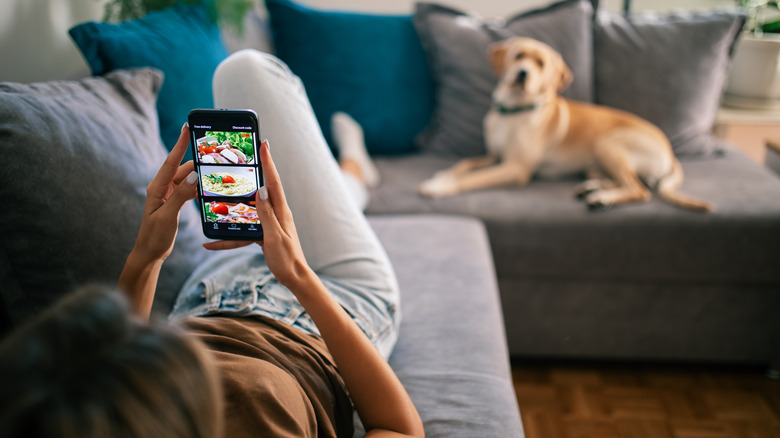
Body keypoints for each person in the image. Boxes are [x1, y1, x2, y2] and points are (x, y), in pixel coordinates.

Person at [0, 50, 424, 438]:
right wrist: (296, 273)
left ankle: (352, 176)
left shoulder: (99, 412)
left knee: (268, 184)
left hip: (208, 291)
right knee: (247, 71)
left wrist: (147, 255)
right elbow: (399, 429)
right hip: (331, 296)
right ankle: (352, 169)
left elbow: (117, 349)